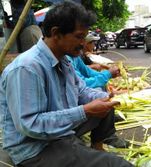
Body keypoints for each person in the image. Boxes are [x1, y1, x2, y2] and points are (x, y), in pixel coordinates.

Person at [0, 1, 133, 167]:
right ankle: (85, 155)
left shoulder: (65, 61)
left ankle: (96, 148)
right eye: (79, 37)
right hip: (34, 148)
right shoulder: (27, 68)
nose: (83, 43)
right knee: (119, 165)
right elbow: (31, 125)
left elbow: (82, 91)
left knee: (105, 106)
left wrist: (107, 97)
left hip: (58, 133)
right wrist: (84, 111)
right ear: (56, 33)